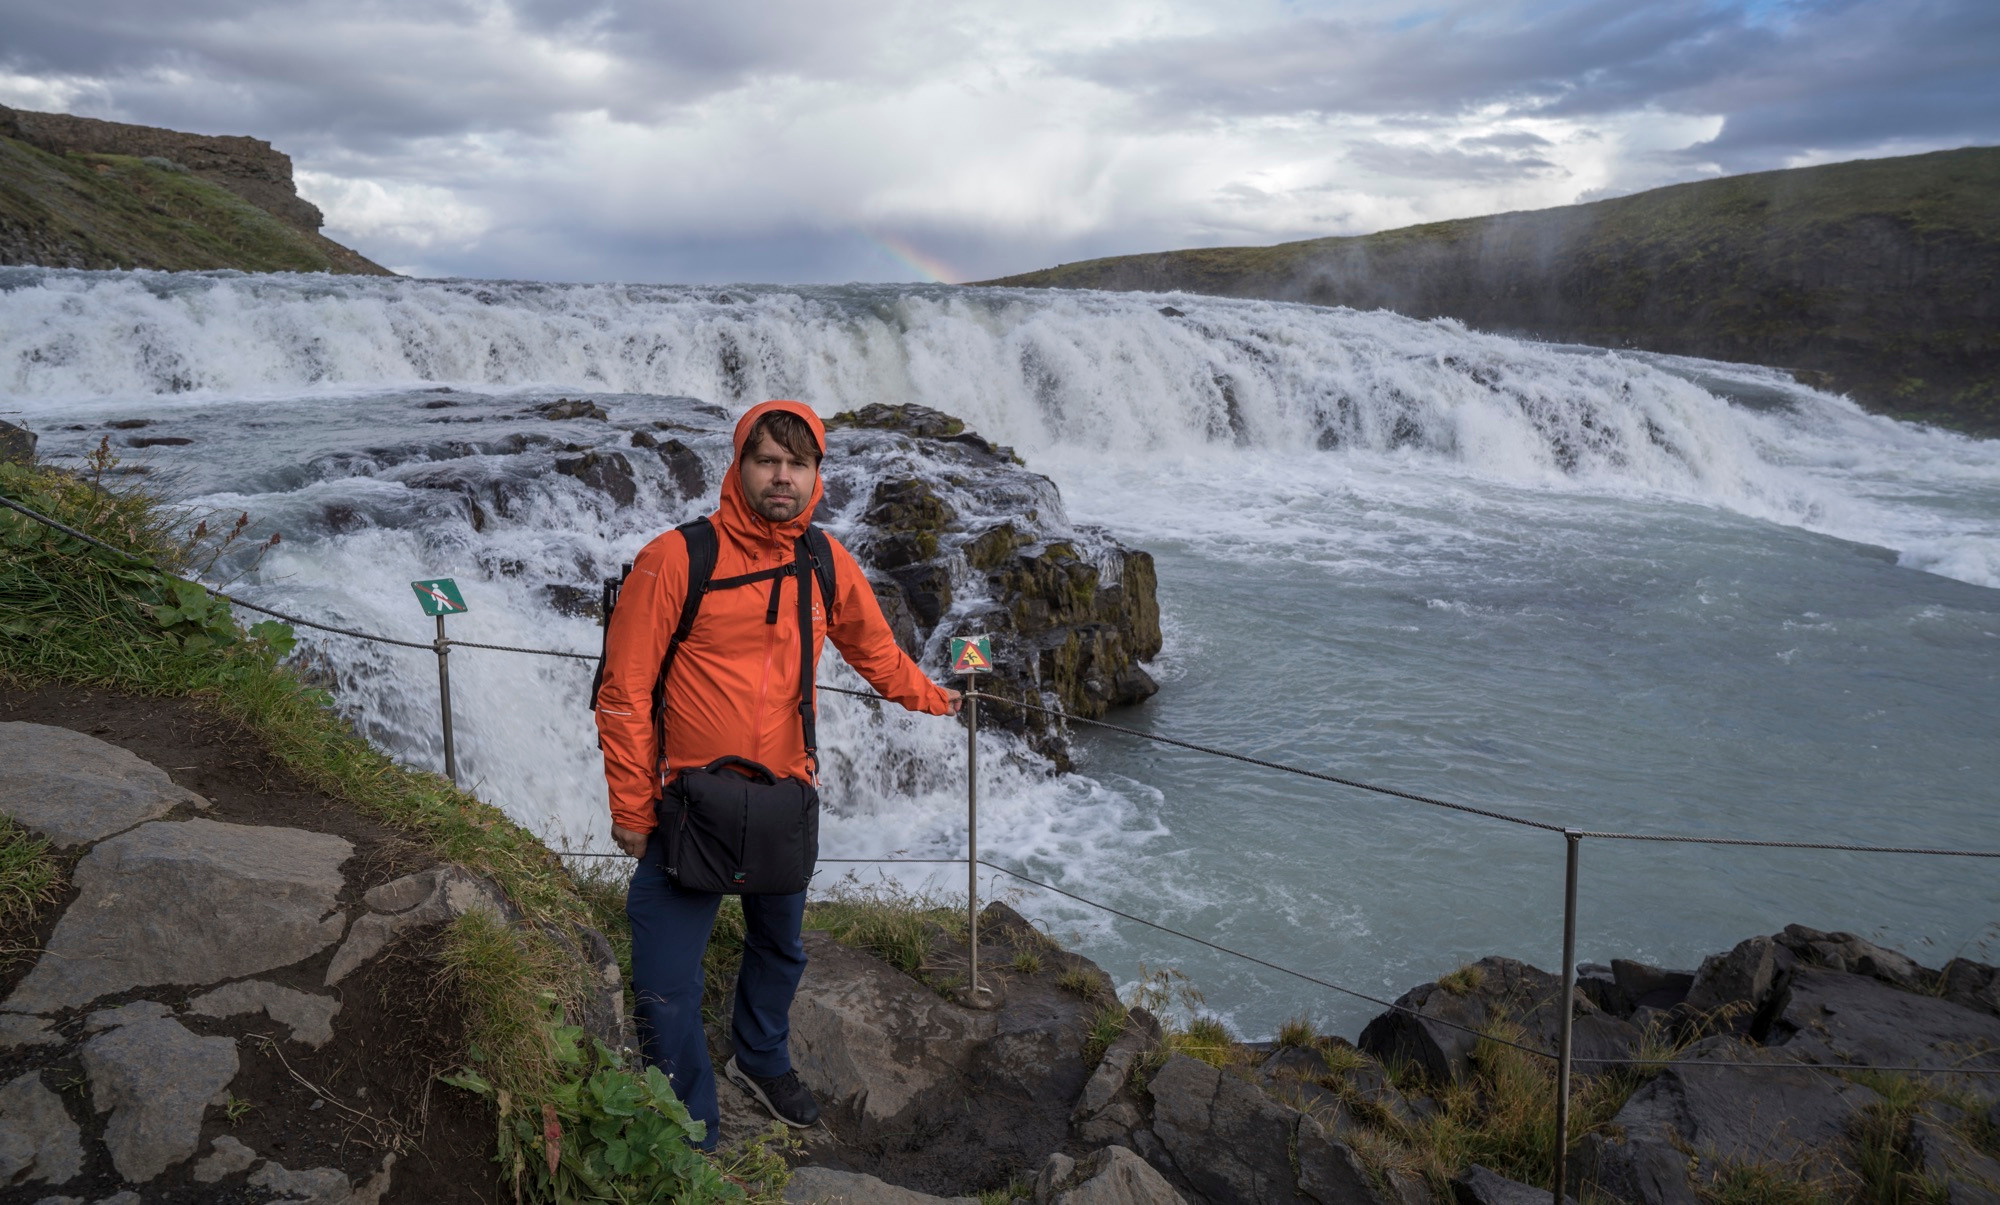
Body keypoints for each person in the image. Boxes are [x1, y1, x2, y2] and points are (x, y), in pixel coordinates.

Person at [594, 398, 961, 1147]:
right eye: (767, 459)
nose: (782, 476)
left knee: (781, 947)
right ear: (739, 465)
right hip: (688, 805)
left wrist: (938, 698)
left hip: (786, 797)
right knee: (666, 982)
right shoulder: (677, 557)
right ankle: (687, 1123)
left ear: (818, 475)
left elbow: (877, 652)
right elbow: (623, 692)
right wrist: (632, 807)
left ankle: (759, 1057)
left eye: (798, 463)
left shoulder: (824, 561)